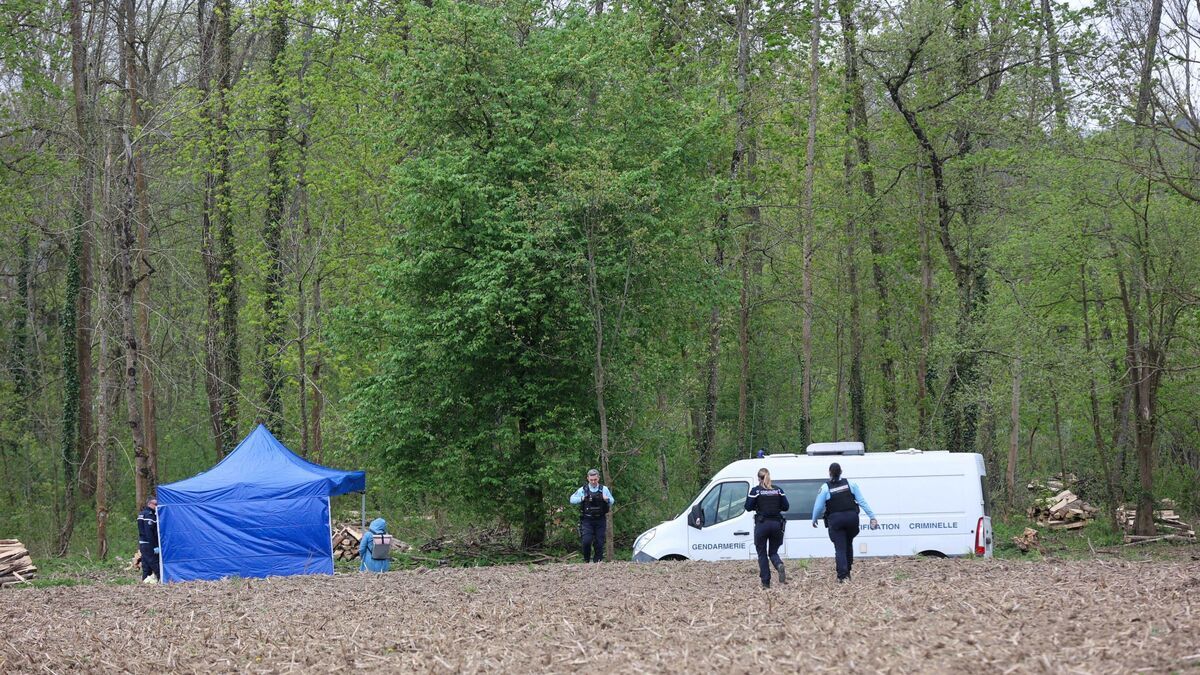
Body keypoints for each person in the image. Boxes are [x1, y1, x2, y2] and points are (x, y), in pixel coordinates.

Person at [811, 462, 878, 582]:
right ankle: (848, 571)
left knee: (840, 548)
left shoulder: (825, 487)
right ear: (841, 471)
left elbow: (818, 507)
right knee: (848, 543)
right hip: (852, 519)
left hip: (836, 521)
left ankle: (842, 576)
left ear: (829, 473)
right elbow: (862, 501)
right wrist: (872, 516)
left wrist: (814, 519)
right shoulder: (850, 484)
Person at [745, 468, 790, 589]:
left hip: (762, 525)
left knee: (762, 554)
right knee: (773, 552)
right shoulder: (778, 490)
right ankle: (779, 564)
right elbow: (786, 506)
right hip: (776, 525)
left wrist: (756, 505)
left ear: (759, 478)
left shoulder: (756, 491)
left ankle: (766, 582)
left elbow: (748, 507)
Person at [569, 469, 614, 563]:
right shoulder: (583, 490)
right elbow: (572, 499)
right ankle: (586, 561)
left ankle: (598, 562)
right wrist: (581, 498)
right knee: (586, 541)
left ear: (598, 478)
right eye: (591, 480)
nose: (593, 482)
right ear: (588, 479)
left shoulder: (604, 489)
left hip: (600, 519)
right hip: (587, 519)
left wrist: (607, 499)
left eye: (595, 479)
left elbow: (612, 500)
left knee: (599, 543)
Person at [137, 497, 159, 581]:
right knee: (155, 563)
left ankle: (145, 581)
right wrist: (154, 546)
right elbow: (149, 532)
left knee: (146, 566)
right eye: (155, 504)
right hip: (148, 544)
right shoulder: (149, 515)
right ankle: (162, 580)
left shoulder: (142, 514)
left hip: (143, 543)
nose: (157, 506)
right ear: (149, 504)